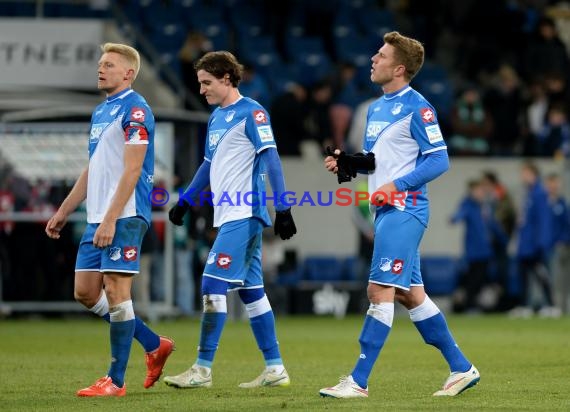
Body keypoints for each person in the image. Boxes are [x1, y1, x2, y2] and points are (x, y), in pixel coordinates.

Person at [320, 31, 479, 399]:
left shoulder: (418, 107)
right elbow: (376, 161)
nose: (373, 59)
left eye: (381, 55)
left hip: (406, 210)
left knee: (379, 290)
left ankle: (358, 381)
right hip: (387, 210)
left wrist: (398, 186)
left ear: (400, 68)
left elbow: (439, 159)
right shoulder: (376, 108)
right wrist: (346, 163)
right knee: (411, 296)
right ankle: (461, 368)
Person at [45, 43, 174, 397]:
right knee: (85, 292)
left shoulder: (136, 110)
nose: (101, 69)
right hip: (98, 216)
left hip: (125, 215)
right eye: (100, 64)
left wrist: (112, 219)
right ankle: (153, 343)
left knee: (117, 292)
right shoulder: (102, 111)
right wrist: (64, 210)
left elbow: (133, 170)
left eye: (109, 65)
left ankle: (115, 380)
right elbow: (94, 168)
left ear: (128, 73)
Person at [163, 51, 297, 389]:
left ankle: (202, 369)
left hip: (244, 213)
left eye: (207, 83)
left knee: (211, 284)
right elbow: (209, 165)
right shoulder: (216, 118)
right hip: (230, 215)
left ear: (226, 78)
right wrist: (185, 201)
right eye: (199, 84)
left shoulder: (253, 112)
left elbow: (272, 159)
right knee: (252, 292)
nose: (202, 90)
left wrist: (283, 208)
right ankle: (275, 368)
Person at [450, 180, 507, 312]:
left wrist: (503, 239)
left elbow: (493, 225)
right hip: (473, 251)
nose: (480, 193)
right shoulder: (468, 205)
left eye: (481, 191)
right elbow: (460, 214)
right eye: (478, 191)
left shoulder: (485, 207)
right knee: (473, 280)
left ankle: (474, 304)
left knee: (480, 280)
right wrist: (454, 218)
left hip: (486, 251)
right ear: (472, 192)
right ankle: (470, 305)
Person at [509, 161, 555, 318]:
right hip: (525, 244)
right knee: (524, 276)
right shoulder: (529, 193)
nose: (523, 176)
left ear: (533, 174)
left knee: (541, 275)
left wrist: (541, 243)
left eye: (525, 173)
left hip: (534, 244)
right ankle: (524, 305)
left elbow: (543, 220)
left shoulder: (540, 193)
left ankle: (551, 305)